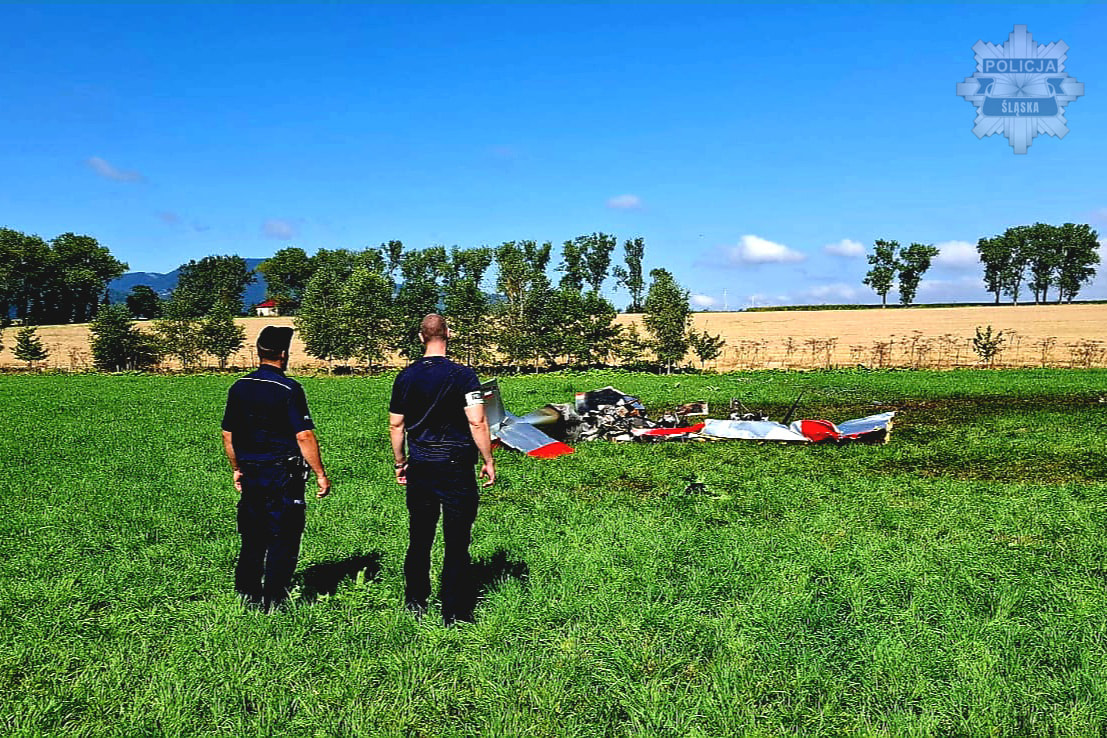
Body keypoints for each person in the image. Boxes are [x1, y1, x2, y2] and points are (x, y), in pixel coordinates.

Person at [389, 314, 495, 625]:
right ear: (448, 334)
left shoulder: (405, 377)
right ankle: (455, 611)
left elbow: (397, 425)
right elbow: (477, 420)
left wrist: (400, 462)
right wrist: (488, 459)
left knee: (420, 537)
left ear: (421, 338)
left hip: (421, 465)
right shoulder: (464, 376)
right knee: (457, 539)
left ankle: (415, 601)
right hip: (456, 466)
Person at [221, 325, 331, 611]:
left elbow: (227, 434)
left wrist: (236, 467)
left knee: (253, 534)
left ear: (259, 353)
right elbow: (303, 435)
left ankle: (247, 595)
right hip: (283, 473)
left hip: (251, 471)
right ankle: (275, 599)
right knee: (284, 534)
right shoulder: (289, 389)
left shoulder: (239, 387)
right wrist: (320, 473)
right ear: (283, 354)